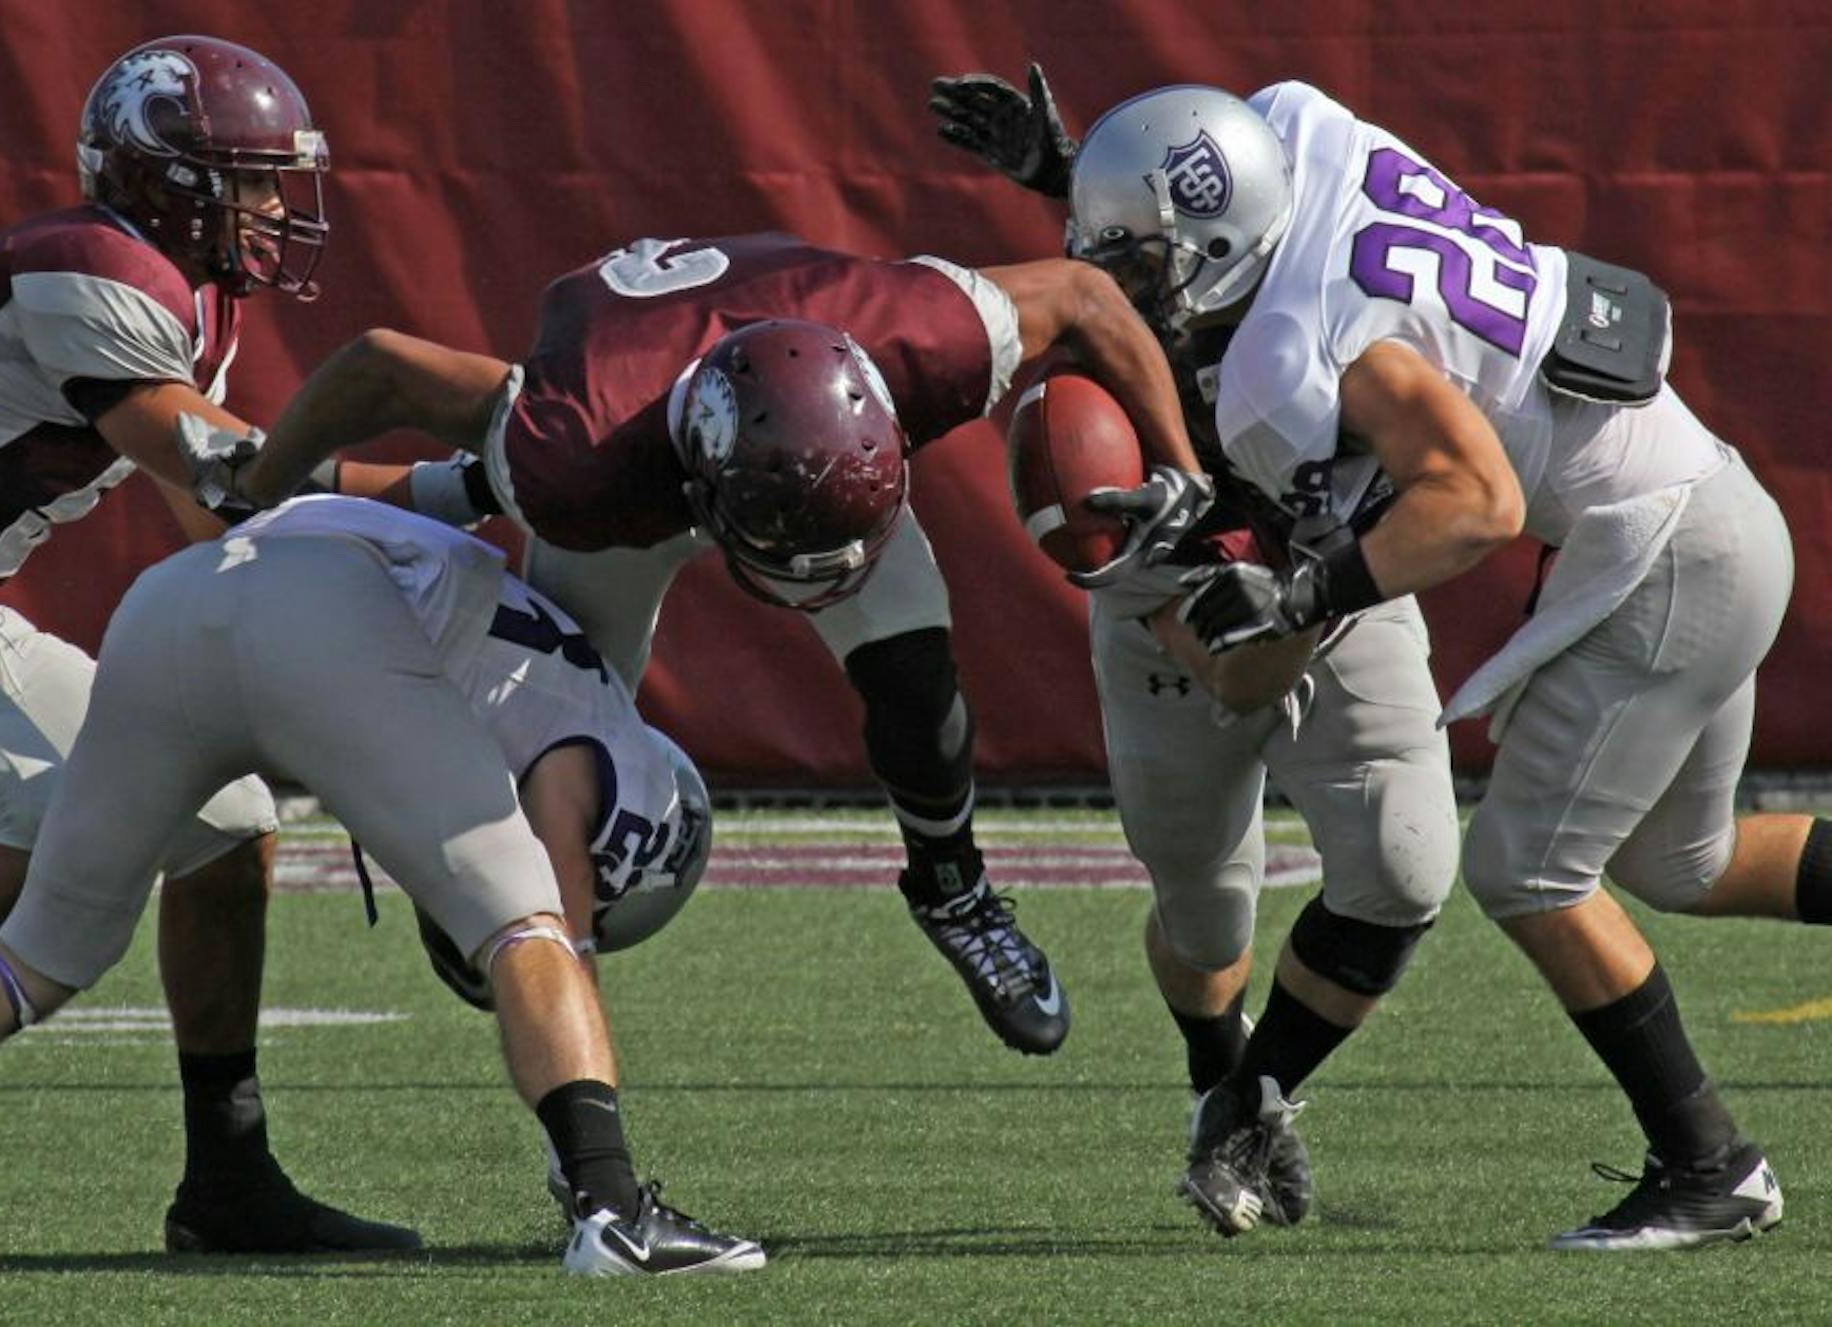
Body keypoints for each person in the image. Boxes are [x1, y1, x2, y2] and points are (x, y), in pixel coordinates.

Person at [1061, 78, 1805, 1250]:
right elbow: (1213, 199)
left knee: (1528, 872)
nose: (1127, 284)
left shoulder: (1294, 357)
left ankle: (1711, 1163)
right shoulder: (1304, 143)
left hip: (1670, 557)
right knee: (1683, 860)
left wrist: (1304, 591)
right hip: (1710, 503)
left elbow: (1479, 503)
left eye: (1144, 260)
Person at [0, 35, 407, 1256]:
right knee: (43, 831)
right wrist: (452, 493)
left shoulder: (191, 293)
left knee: (229, 821)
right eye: (250, 180)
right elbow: (222, 473)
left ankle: (229, 1177)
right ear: (169, 181)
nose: (272, 207)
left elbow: (220, 521)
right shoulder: (87, 263)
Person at [0, 497, 765, 1279]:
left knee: (33, 958)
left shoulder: (568, 670)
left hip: (177, 597)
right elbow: (555, 922)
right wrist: (573, 1136)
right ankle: (615, 1213)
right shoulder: (596, 759)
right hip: (322, 615)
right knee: (523, 925)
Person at [232, 232, 1218, 1059]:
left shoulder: (924, 332)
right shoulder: (580, 457)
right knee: (551, 774)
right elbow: (384, 368)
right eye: (793, 561)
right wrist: (262, 483)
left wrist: (1188, 475)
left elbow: (1086, 294)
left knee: (919, 682)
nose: (820, 581)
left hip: (775, 424)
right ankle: (508, 925)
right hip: (628, 444)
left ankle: (954, 891)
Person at [931, 68, 1462, 1237]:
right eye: (1095, 239)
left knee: (1405, 863)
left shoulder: (1332, 312)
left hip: (1336, 582)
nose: (1100, 274)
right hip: (1168, 599)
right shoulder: (1133, 313)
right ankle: (1216, 1064)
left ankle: (1246, 1108)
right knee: (1207, 909)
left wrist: (1308, 584)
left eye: (1135, 255)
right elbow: (1164, 593)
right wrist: (1071, 177)